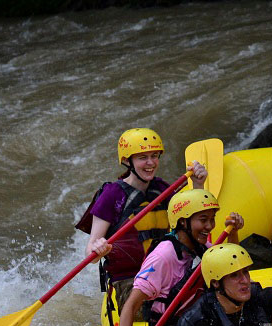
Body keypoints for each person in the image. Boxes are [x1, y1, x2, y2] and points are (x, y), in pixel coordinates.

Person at [115, 189, 245, 326]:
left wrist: (233, 233)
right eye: (203, 219)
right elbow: (132, 304)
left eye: (212, 218)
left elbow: (230, 274)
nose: (210, 226)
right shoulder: (163, 257)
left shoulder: (199, 247)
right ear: (183, 222)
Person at [76, 128, 207, 313]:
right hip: (132, 282)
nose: (150, 163)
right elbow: (91, 252)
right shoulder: (112, 195)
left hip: (168, 274)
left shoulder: (163, 189)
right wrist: (98, 248)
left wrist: (198, 184)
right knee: (168, 309)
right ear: (128, 161)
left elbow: (194, 224)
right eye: (142, 157)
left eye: (154, 156)